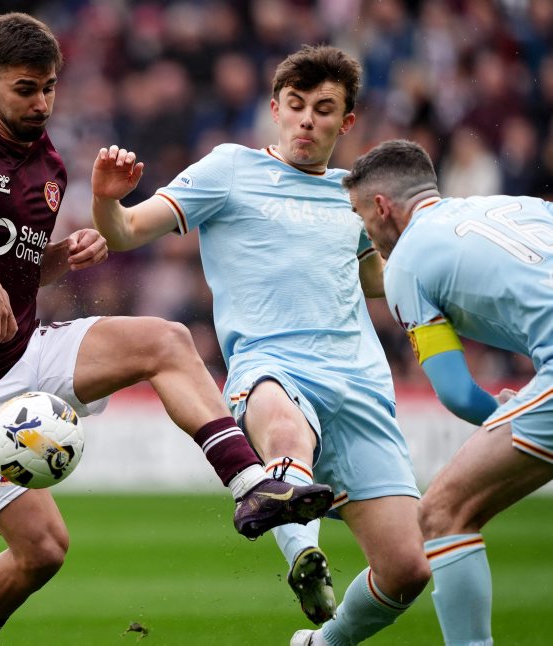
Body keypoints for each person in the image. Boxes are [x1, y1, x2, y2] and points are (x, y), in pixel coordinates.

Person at [0, 13, 333, 646]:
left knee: (165, 340)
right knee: (43, 551)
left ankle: (253, 487)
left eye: (49, 87)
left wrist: (60, 259)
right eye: (25, 89)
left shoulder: (50, 166)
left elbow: (15, 274)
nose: (41, 103)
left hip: (25, 351)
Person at [90, 45, 431, 646]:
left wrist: (420, 251)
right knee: (286, 434)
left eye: (323, 109)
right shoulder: (229, 169)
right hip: (272, 368)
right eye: (295, 105)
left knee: (407, 570)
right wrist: (106, 200)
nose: (307, 120)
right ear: (274, 109)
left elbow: (376, 280)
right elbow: (125, 232)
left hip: (360, 385)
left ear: (346, 121)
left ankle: (322, 642)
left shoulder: (352, 195)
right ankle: (304, 555)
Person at [343, 138, 553, 645]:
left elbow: (457, 392)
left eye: (360, 217)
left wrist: (500, 412)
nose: (365, 232)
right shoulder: (518, 205)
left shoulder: (406, 264)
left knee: (442, 513)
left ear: (381, 207)